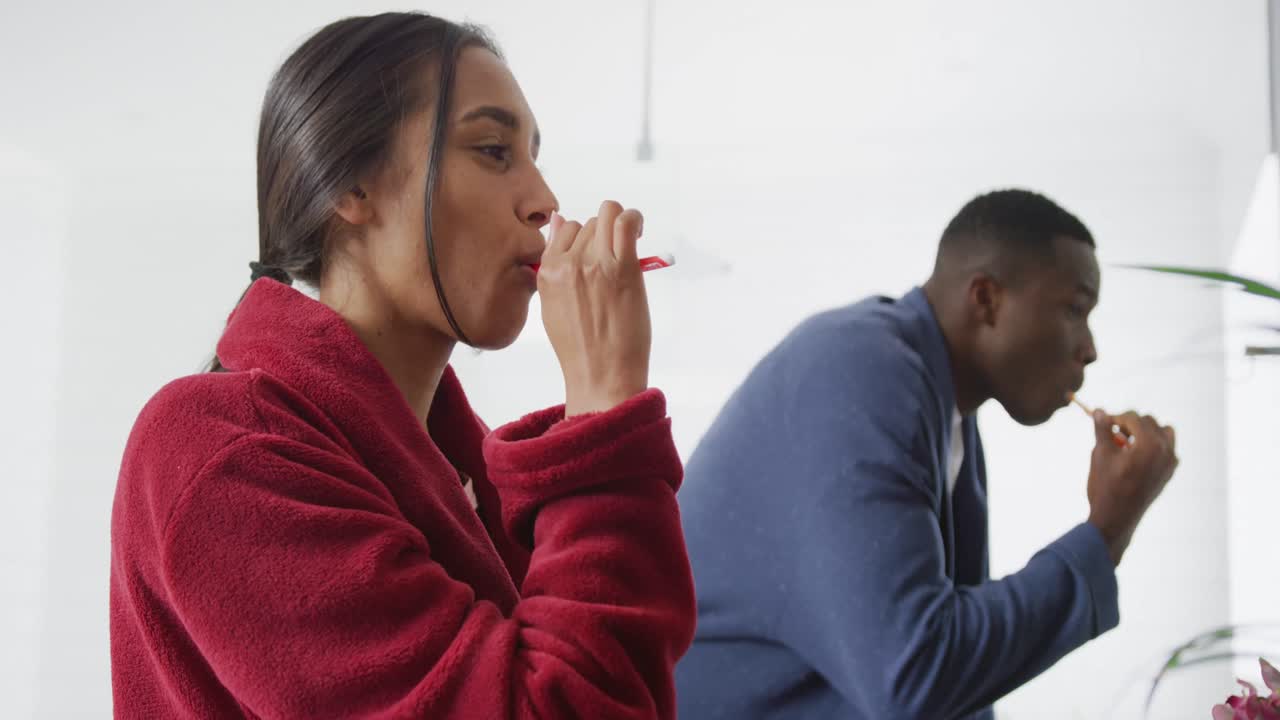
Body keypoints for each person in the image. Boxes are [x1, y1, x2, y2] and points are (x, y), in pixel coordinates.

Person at [110, 12, 694, 719]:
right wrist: (602, 409)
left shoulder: (461, 469)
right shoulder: (221, 447)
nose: (544, 202)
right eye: (492, 150)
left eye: (534, 157)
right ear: (348, 187)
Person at [674, 189, 1180, 719]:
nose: (1090, 348)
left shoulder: (948, 414)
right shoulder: (861, 369)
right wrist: (1106, 532)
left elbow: (951, 690)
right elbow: (915, 674)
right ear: (985, 299)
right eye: (1075, 310)